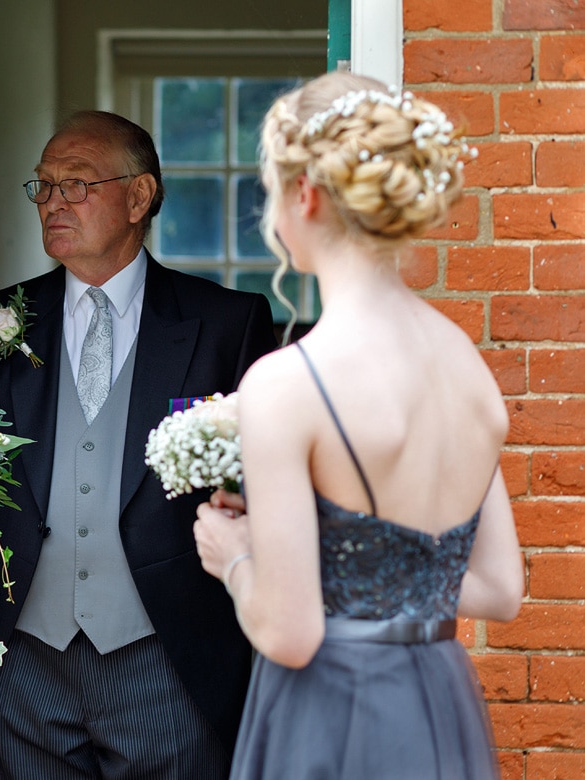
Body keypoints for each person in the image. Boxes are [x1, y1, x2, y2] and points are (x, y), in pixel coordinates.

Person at [193, 72, 524, 779]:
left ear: (305, 194)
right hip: (439, 699)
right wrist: (328, 550)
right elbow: (499, 587)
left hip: (332, 708)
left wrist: (238, 556)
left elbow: (289, 632)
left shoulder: (288, 384)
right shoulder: (465, 366)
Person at [0, 110, 276, 779]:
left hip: (166, 662)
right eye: (43, 186)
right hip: (23, 663)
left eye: (76, 184)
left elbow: (260, 487)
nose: (53, 203)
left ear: (139, 196)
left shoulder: (225, 324)